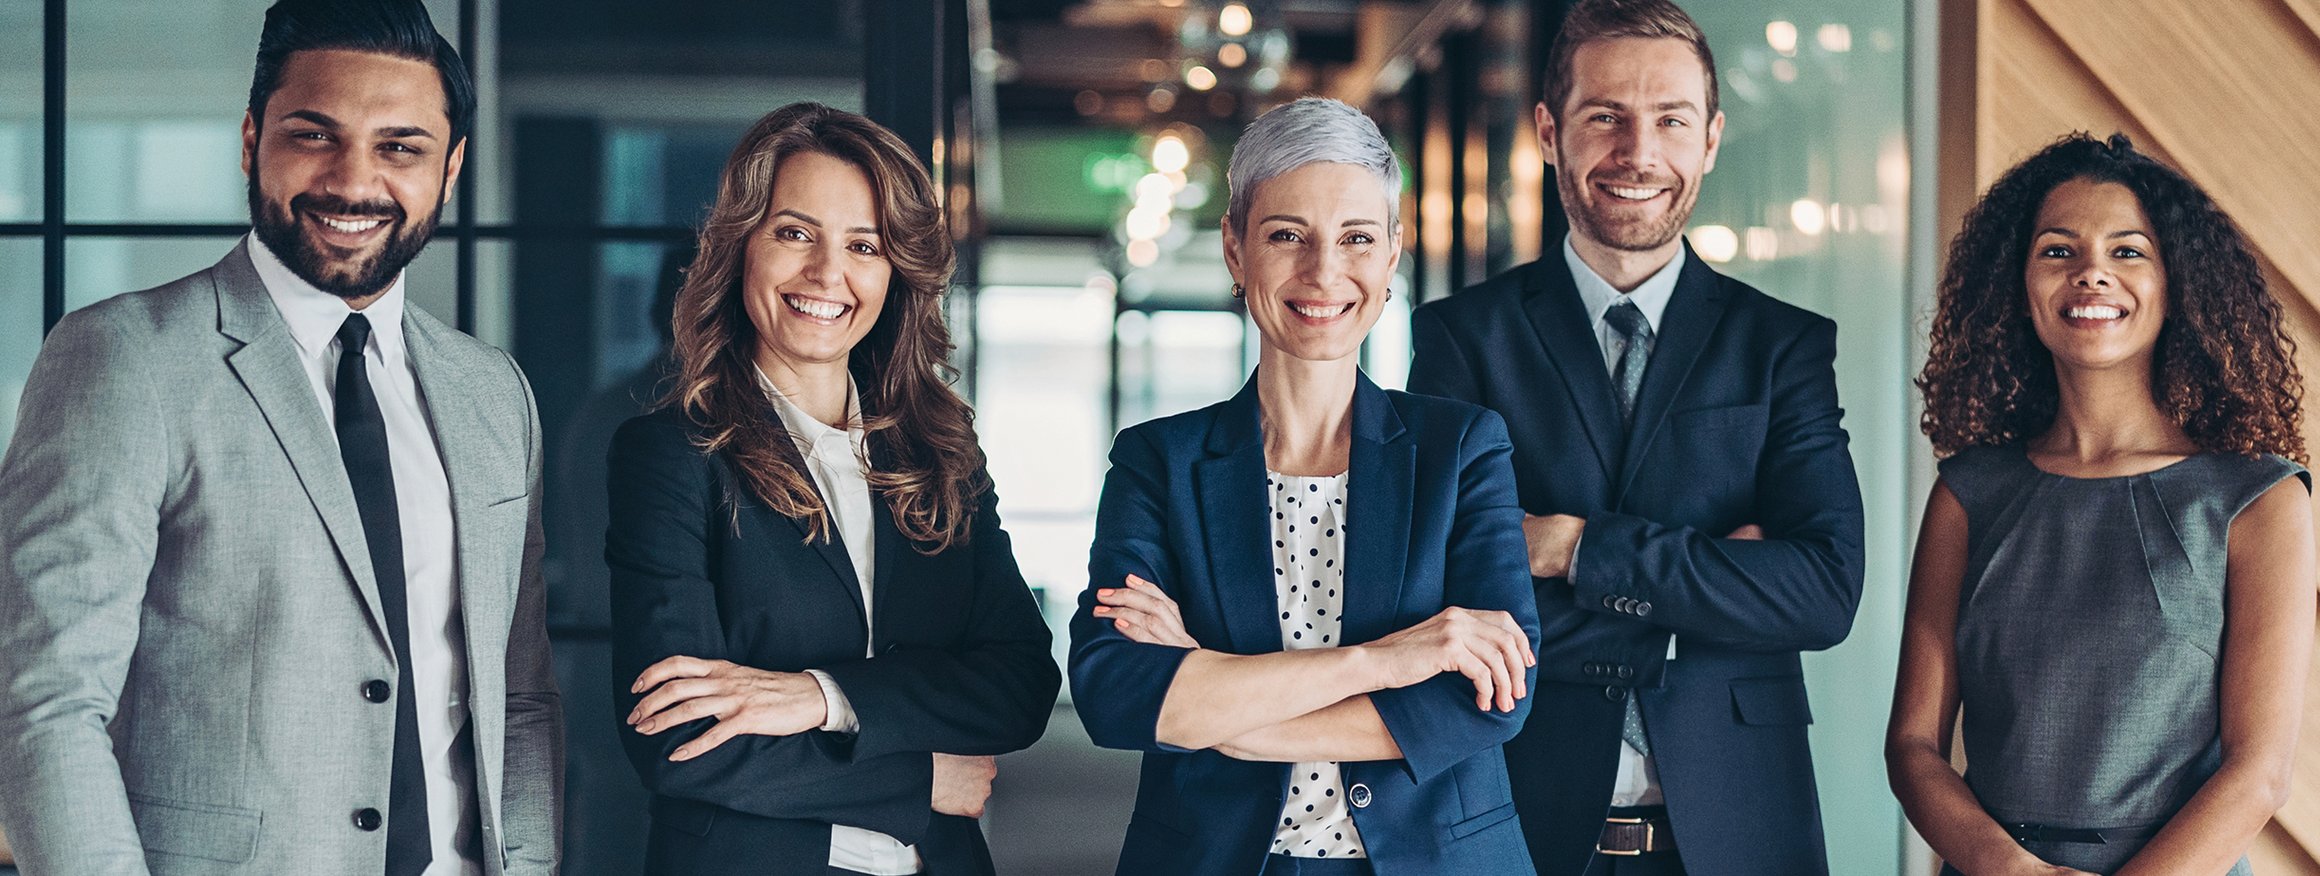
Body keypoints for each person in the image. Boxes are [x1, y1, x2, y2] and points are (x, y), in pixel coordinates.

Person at [0, 1, 562, 873]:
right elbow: (44, 704)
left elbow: (518, 698)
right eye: (314, 135)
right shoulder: (123, 359)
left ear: (449, 171)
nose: (353, 181)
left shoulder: (494, 393)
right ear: (251, 138)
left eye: (400, 147)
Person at [1407, 1, 1866, 872]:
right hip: (1515, 817)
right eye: (1605, 117)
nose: (1639, 152)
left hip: (1740, 829)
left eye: (1671, 121)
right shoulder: (1463, 338)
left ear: (1712, 138)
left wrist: (1575, 547)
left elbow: (1822, 591)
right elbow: (1445, 592)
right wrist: (1712, 593)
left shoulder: (1783, 346)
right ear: (1550, 131)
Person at [1072, 97, 1541, 876]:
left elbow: (1490, 698)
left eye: (1357, 238)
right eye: (1288, 235)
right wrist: (1387, 661)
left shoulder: (1460, 448)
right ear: (1235, 250)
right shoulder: (1159, 460)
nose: (1324, 272)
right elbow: (1117, 694)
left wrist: (1214, 702)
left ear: (1392, 255)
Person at [606, 102, 1059, 876]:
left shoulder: (941, 451)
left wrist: (818, 696)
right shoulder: (671, 455)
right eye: (794, 233)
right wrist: (922, 778)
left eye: (864, 245)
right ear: (740, 246)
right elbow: (681, 742)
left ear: (895, 272)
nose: (827, 273)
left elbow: (1018, 683)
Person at [1887, 133, 2312, 876]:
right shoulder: (1968, 492)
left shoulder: (2257, 499)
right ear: (2017, 287)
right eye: (2058, 251)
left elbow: (2259, 772)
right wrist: (2012, 869)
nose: (2091, 274)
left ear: (2175, 284)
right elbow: (1912, 747)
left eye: (2128, 252)